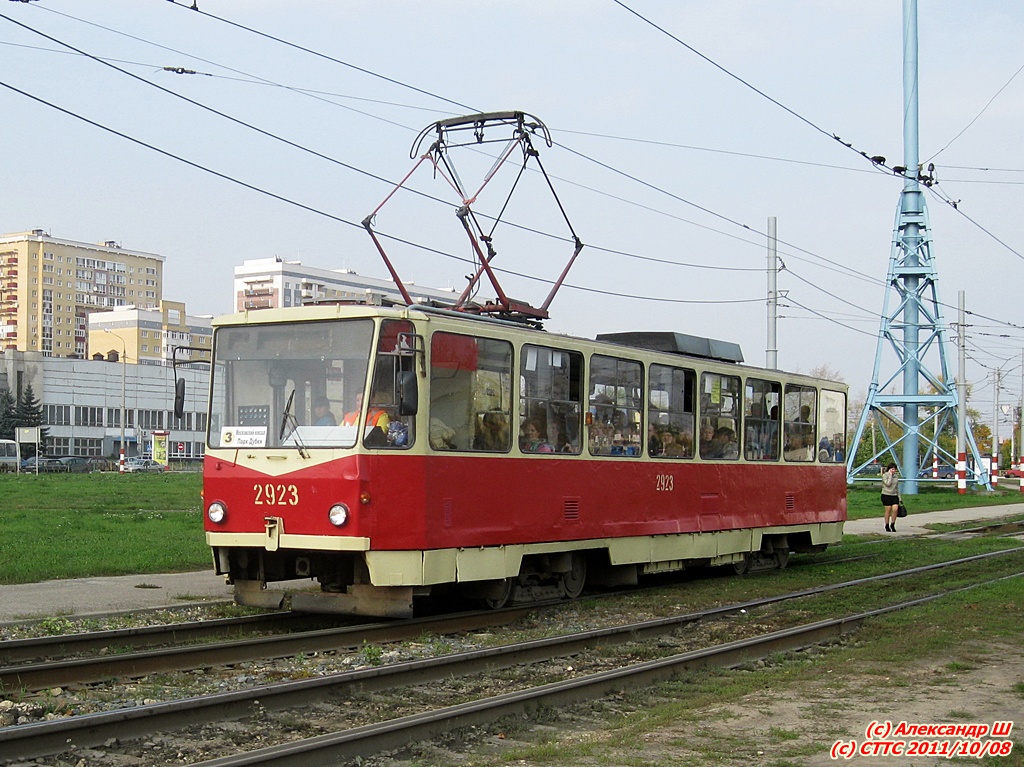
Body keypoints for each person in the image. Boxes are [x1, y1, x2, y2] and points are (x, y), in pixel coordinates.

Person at [881, 463, 901, 532]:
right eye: (892, 469)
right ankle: (887, 524)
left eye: (894, 469)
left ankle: (892, 524)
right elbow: (888, 484)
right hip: (886, 494)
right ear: (889, 469)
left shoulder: (896, 476)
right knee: (888, 510)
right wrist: (890, 475)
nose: (893, 471)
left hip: (894, 495)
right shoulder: (885, 475)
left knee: (895, 509)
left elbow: (897, 487)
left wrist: (900, 497)